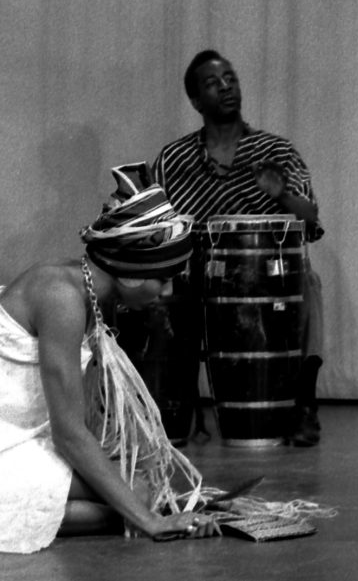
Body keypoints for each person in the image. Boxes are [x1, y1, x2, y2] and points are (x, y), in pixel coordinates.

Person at [0, 166, 219, 552]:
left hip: (27, 441)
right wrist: (150, 521)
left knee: (140, 486)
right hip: (9, 443)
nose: (165, 289)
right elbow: (68, 433)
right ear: (133, 272)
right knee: (138, 500)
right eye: (163, 276)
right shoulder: (62, 296)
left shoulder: (87, 292)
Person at [152, 50, 326, 447]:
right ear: (196, 101)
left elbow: (310, 219)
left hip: (266, 281)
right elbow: (158, 222)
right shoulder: (174, 159)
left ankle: (304, 404)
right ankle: (168, 412)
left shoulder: (276, 151)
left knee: (309, 284)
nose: (226, 87)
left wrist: (282, 194)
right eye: (213, 83)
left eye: (230, 78)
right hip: (198, 275)